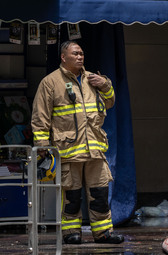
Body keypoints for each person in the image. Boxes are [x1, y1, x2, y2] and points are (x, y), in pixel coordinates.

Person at [31, 41, 124, 244]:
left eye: (82, 53)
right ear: (63, 57)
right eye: (75, 53)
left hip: (95, 150)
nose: (80, 56)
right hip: (68, 151)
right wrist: (43, 148)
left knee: (100, 194)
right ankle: (71, 233)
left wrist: (106, 85)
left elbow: (110, 102)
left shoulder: (93, 79)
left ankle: (103, 233)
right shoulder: (50, 82)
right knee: (71, 198)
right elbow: (40, 117)